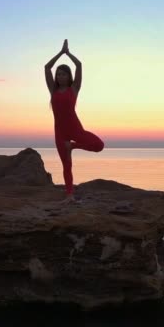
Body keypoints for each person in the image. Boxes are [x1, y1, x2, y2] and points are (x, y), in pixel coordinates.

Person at [44, 39, 105, 204]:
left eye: (63, 74)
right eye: (58, 74)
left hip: (76, 129)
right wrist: (59, 53)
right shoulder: (53, 90)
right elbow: (46, 68)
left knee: (99, 145)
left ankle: (73, 146)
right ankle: (69, 195)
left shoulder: (74, 89)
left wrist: (68, 53)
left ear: (68, 76)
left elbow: (79, 65)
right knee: (66, 165)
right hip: (60, 132)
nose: (60, 76)